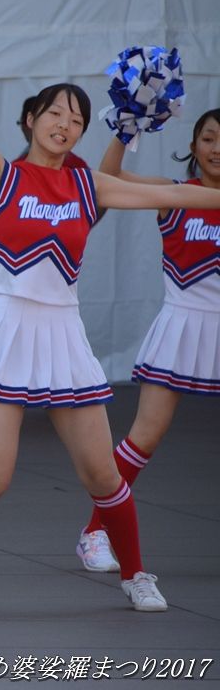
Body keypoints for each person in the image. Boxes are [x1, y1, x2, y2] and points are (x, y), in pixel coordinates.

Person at [0, 21, 220, 615]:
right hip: (10, 328)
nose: (65, 122)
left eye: (76, 117)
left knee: (103, 472)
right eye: (55, 111)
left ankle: (135, 573)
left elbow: (176, 196)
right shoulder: (1, 174)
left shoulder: (89, 184)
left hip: (65, 333)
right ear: (31, 119)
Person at [74, 109, 220, 572]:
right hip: (183, 323)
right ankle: (95, 531)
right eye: (209, 138)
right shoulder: (173, 194)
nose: (217, 148)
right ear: (194, 145)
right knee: (145, 435)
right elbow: (107, 178)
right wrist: (126, 126)